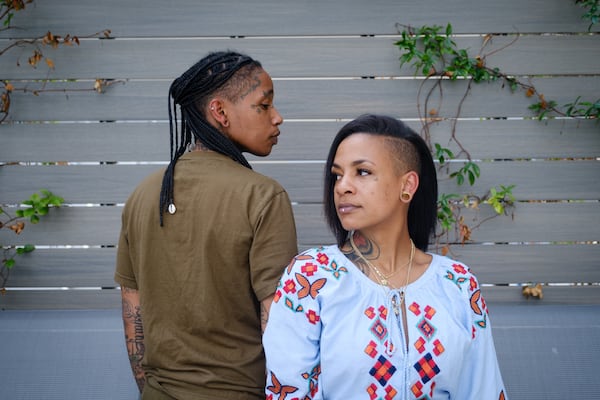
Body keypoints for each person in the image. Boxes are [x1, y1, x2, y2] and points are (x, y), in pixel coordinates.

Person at [263, 114, 508, 399]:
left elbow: (483, 390)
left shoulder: (458, 284)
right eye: (337, 175)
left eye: (362, 172)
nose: (343, 186)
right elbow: (289, 391)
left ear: (407, 186)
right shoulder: (310, 278)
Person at [114, 51, 298, 400]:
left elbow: (132, 309)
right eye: (264, 105)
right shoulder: (263, 196)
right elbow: (276, 318)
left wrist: (149, 388)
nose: (277, 118)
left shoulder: (143, 194)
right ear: (220, 112)